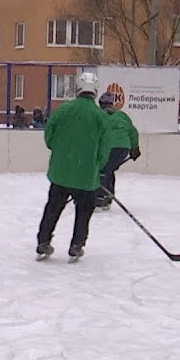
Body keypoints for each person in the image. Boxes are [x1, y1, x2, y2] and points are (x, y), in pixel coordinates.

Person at [36, 71, 109, 262]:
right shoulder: (100, 116)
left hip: (60, 172)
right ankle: (77, 244)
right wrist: (97, 166)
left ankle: (43, 240)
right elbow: (104, 148)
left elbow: (49, 135)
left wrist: (59, 151)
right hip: (86, 176)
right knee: (84, 210)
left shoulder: (63, 110)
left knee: (53, 207)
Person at [95, 91, 140, 210]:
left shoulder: (99, 115)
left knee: (101, 170)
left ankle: (101, 198)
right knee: (109, 170)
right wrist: (135, 148)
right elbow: (133, 132)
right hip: (124, 147)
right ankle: (108, 196)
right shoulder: (122, 115)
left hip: (108, 146)